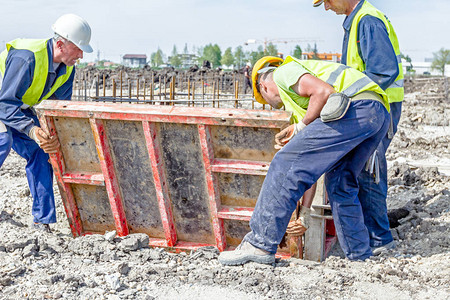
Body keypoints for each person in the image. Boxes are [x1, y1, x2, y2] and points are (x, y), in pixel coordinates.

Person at [218, 55, 390, 265]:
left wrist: (302, 127)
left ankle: (259, 243)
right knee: (340, 183)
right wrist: (306, 213)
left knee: (284, 161)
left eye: (268, 102)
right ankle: (359, 256)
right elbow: (309, 168)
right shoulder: (304, 101)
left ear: (263, 86)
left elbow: (323, 91)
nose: (275, 106)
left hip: (355, 106)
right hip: (376, 113)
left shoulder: (283, 72)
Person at [313, 0, 403, 253]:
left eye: (327, 1)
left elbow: (384, 72)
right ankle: (370, 234)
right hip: (369, 106)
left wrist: (349, 101)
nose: (327, 7)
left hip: (377, 107)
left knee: (368, 167)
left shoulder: (368, 21)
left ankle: (379, 240)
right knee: (362, 167)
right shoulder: (357, 21)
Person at [0, 14, 93, 232]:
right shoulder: (27, 57)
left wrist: (53, 136)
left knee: (43, 152)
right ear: (60, 44)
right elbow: (4, 104)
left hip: (17, 108)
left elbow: (58, 108)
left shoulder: (67, 67)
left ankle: (42, 221)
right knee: (3, 138)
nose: (81, 55)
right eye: (78, 48)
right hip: (2, 104)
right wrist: (32, 130)